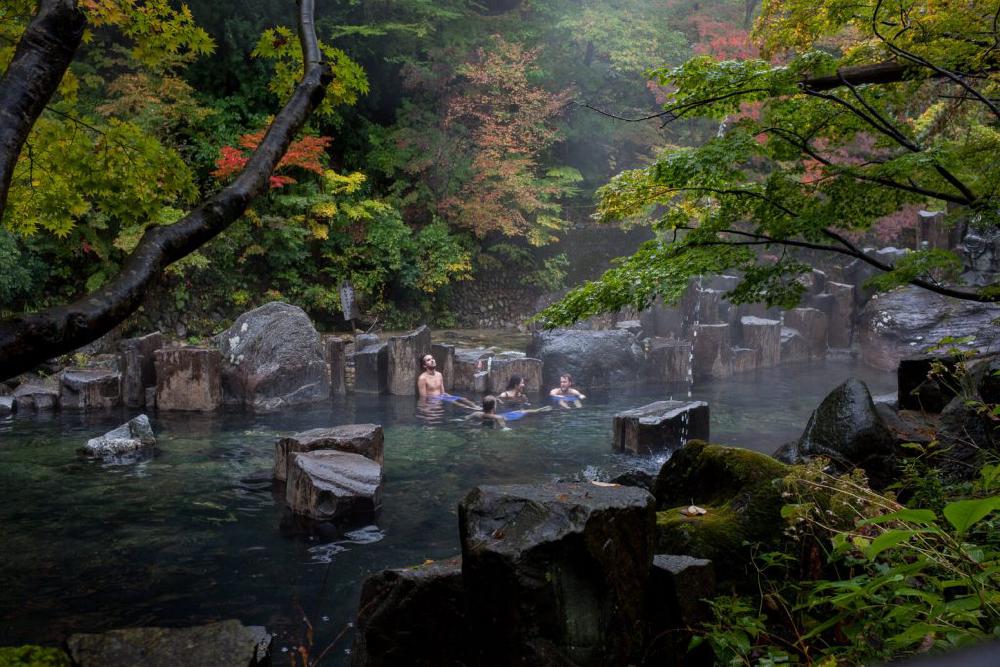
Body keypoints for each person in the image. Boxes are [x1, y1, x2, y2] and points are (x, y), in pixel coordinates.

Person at [465, 395, 551, 429]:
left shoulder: (477, 413)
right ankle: (538, 410)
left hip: (497, 417)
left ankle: (538, 410)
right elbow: (504, 428)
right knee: (522, 412)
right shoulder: (498, 417)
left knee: (521, 411)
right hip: (507, 417)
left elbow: (466, 418)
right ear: (494, 406)